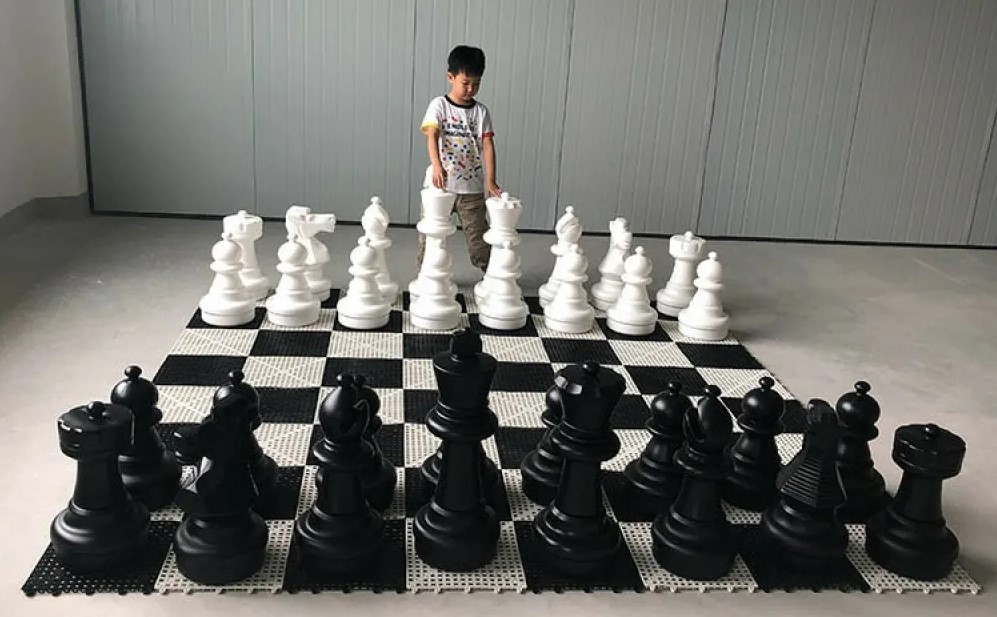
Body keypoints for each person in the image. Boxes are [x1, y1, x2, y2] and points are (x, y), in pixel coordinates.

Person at [418, 45, 501, 273]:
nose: (470, 89)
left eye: (476, 84)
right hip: (440, 185)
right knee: (430, 234)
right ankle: (427, 275)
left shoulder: (481, 112)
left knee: (479, 240)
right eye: (465, 83)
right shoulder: (439, 105)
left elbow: (487, 146)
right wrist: (437, 166)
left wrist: (490, 180)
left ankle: (493, 276)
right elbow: (432, 136)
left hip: (471, 188)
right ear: (450, 77)